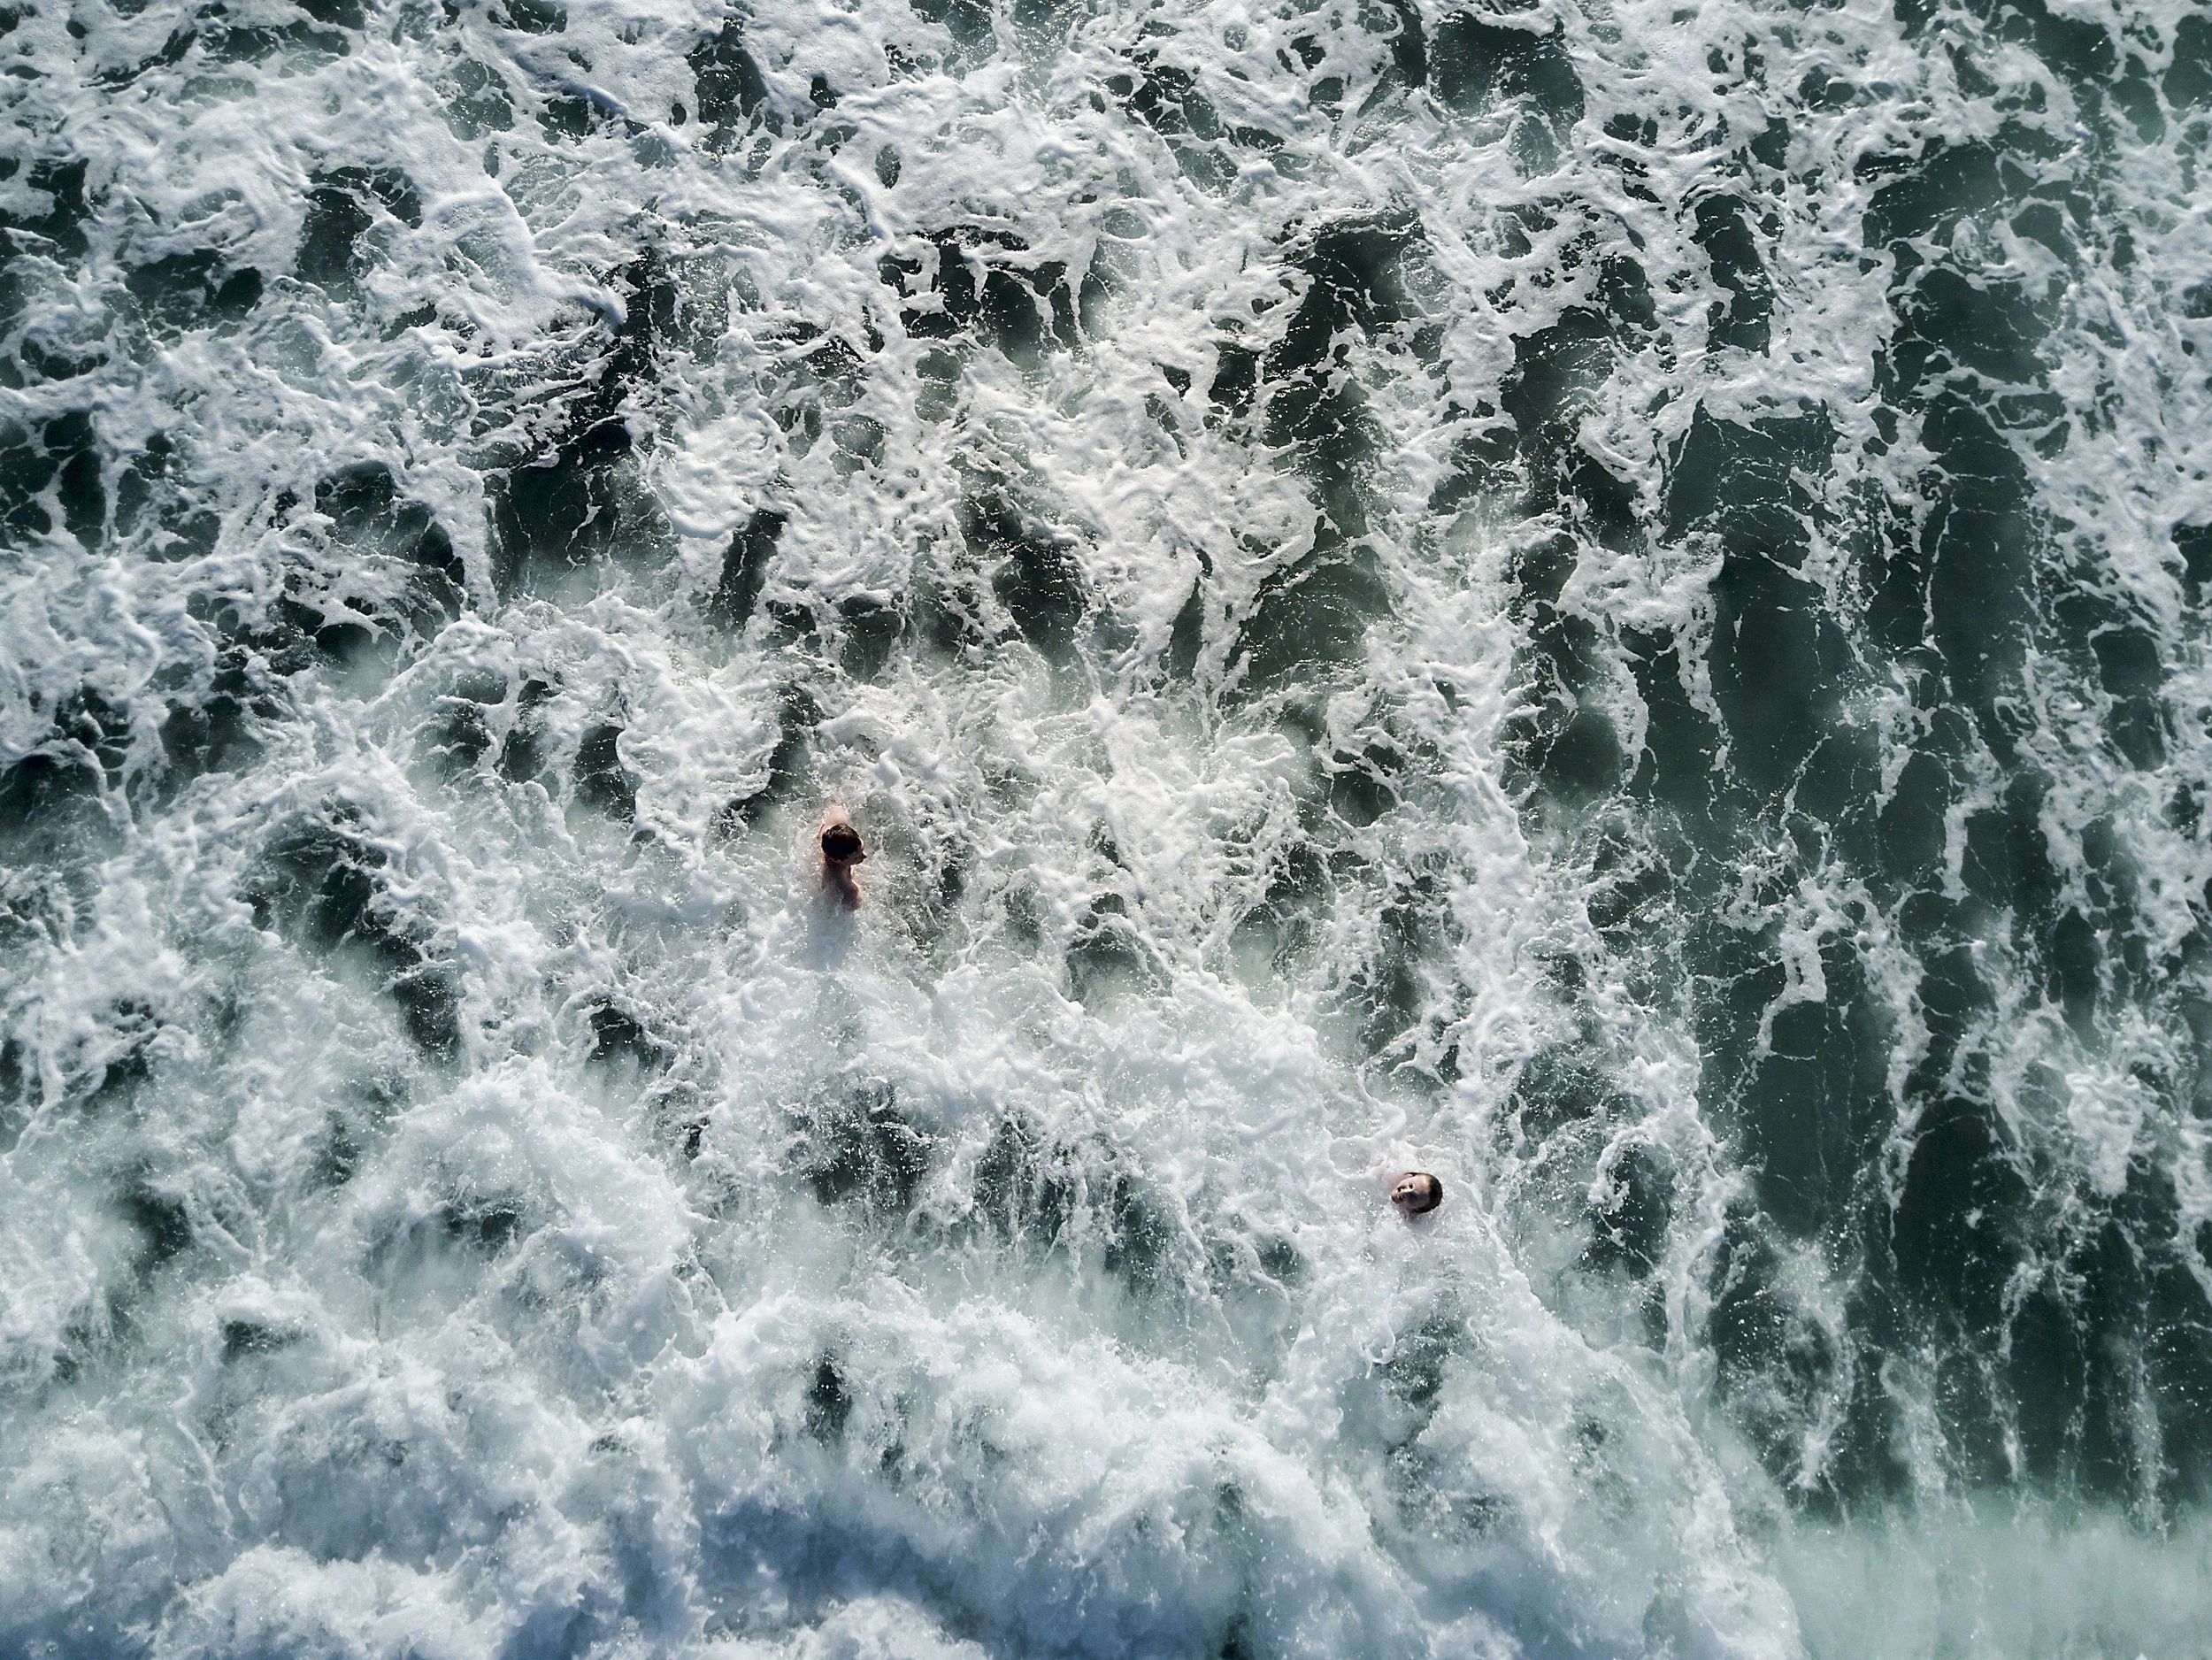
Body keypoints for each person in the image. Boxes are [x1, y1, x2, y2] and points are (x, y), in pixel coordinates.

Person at [819, 808, 865, 907]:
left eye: (862, 849)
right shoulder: (839, 879)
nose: (865, 856)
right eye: (856, 857)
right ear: (837, 860)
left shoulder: (836, 821)